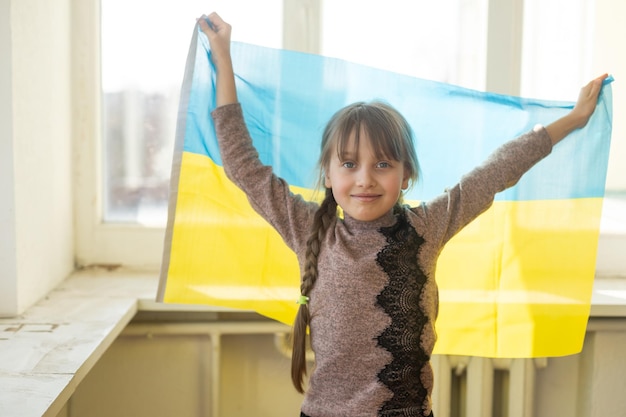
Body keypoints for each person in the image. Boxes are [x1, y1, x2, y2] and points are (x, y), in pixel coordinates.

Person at [198, 12, 608, 417]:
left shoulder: (427, 227)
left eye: (382, 164)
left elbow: (496, 171)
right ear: (327, 173)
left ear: (406, 174)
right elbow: (242, 165)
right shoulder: (308, 229)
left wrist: (572, 120)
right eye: (348, 164)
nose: (365, 180)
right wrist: (223, 58)